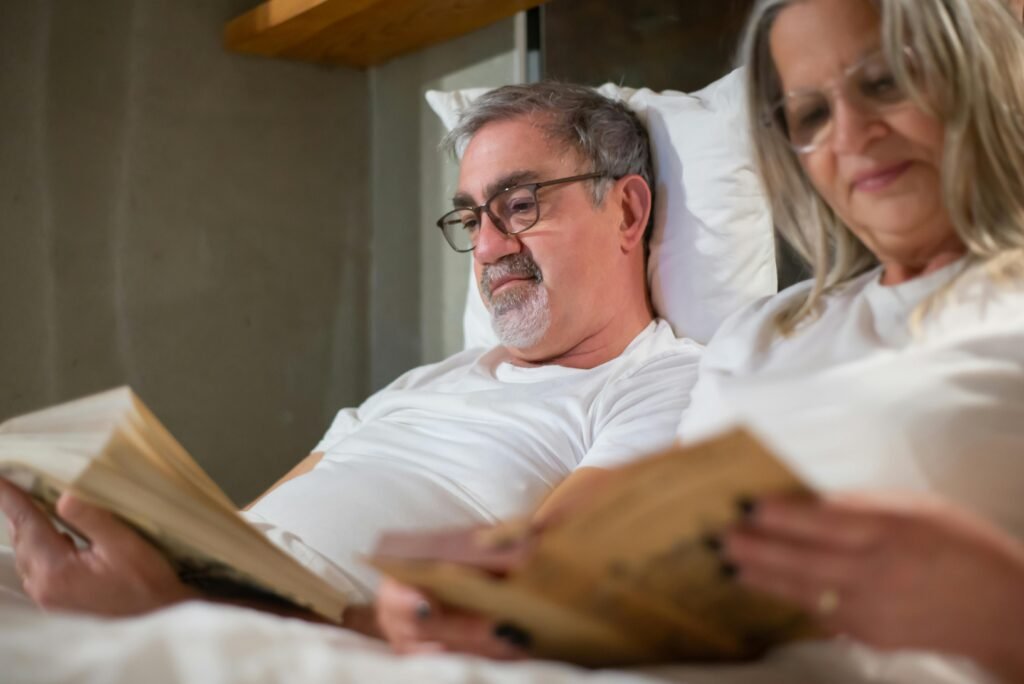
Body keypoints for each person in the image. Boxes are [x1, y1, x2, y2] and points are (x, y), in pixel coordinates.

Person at [374, 0, 1024, 679]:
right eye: (812, 115)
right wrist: (489, 615)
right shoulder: (763, 332)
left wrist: (1000, 605)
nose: (851, 133)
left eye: (884, 82)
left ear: (976, 68)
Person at [0, 84, 703, 627]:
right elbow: (244, 527)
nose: (487, 247)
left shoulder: (665, 385)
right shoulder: (431, 379)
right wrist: (156, 560)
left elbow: (525, 604)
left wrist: (181, 612)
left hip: (278, 638)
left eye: (520, 205)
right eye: (470, 218)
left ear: (628, 211)